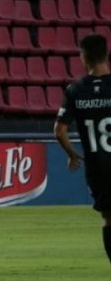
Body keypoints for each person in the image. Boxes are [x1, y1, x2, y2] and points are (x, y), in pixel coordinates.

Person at [55, 33, 111, 263]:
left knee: (109, 220)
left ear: (83, 57)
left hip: (98, 167)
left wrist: (71, 154)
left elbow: (59, 131)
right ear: (106, 54)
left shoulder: (75, 90)